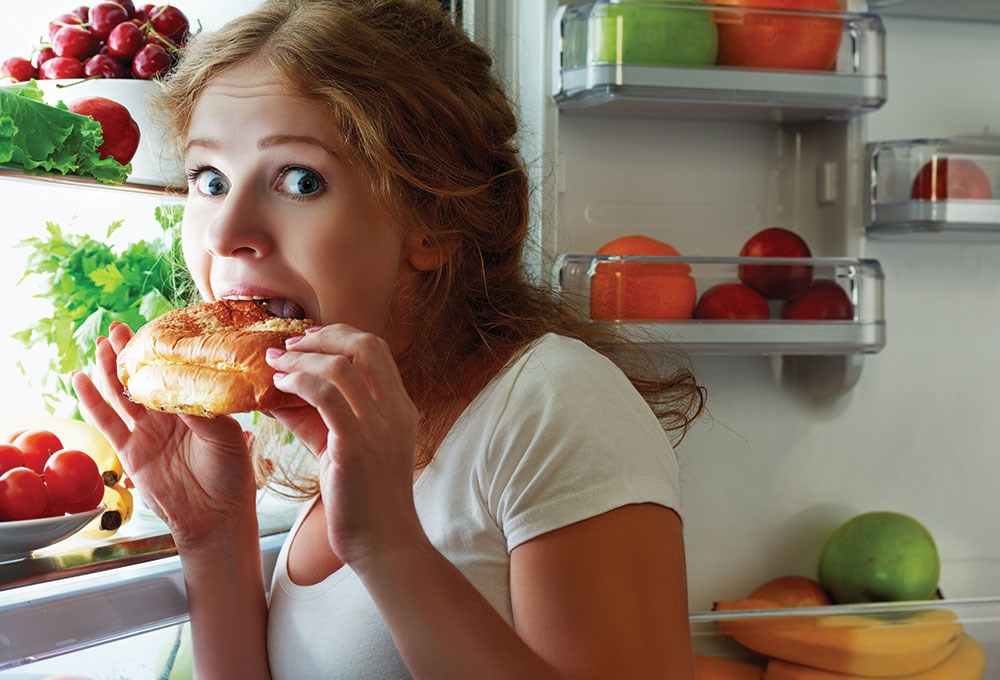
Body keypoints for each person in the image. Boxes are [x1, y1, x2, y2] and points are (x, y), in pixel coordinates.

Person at [72, 0, 707, 678]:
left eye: (299, 180)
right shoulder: (341, 418)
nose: (226, 233)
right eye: (210, 180)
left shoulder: (556, 404)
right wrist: (212, 531)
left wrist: (387, 544)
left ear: (432, 217)